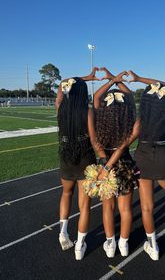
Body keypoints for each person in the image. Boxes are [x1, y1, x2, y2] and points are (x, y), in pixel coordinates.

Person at [129, 70, 165, 261]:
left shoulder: (141, 121)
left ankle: (153, 247)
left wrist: (136, 80)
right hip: (162, 157)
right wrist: (140, 79)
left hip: (142, 157)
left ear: (145, 103)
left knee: (146, 207)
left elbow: (131, 137)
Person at [88, 68, 139, 258]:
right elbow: (130, 95)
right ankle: (124, 243)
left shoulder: (100, 116)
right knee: (125, 208)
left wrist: (110, 80)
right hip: (124, 163)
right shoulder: (129, 115)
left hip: (103, 165)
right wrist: (115, 79)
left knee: (107, 208)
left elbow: (96, 96)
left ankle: (110, 244)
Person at [55, 68, 100, 260]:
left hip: (66, 155)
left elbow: (61, 83)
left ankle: (63, 233)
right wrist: (105, 161)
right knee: (85, 205)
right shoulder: (87, 112)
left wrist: (83, 78)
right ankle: (80, 246)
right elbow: (94, 141)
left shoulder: (60, 107)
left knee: (66, 193)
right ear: (83, 94)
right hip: (85, 158)